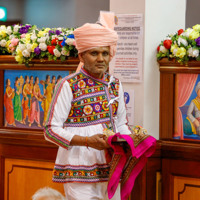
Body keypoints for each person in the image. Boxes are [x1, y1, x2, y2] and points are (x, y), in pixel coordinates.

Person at [44, 12, 132, 200]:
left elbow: (121, 123)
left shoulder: (115, 84)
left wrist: (132, 141)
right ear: (82, 55)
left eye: (105, 53)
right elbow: (51, 130)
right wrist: (86, 141)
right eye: (94, 53)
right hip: (78, 167)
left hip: (112, 166)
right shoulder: (68, 84)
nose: (101, 59)